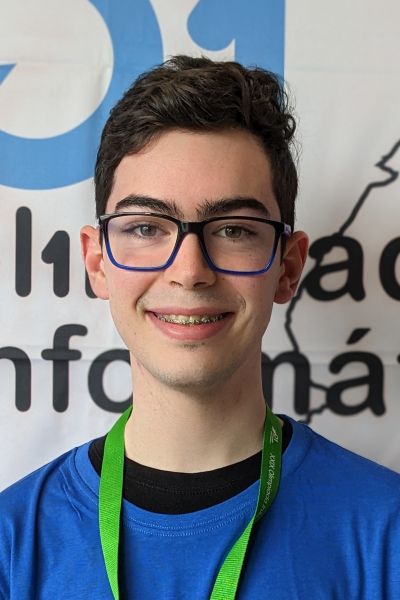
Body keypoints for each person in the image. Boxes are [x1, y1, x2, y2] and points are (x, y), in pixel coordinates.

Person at [1, 55, 399, 600]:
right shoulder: (11, 544)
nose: (189, 271)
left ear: (288, 267)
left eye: (233, 229)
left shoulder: (386, 534)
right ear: (97, 263)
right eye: (147, 227)